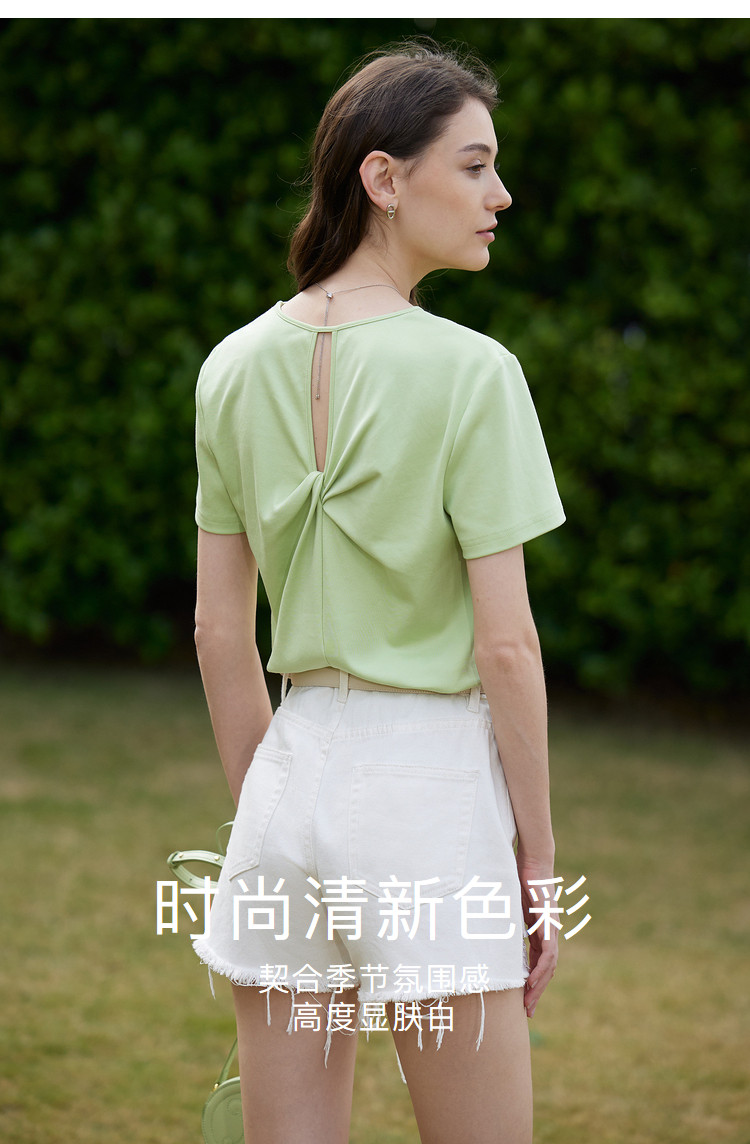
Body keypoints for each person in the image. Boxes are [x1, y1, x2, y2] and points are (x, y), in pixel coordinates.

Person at [191, 40, 565, 1144]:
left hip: (287, 774)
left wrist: (273, 800)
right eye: (475, 165)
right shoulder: (474, 373)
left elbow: (219, 630)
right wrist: (539, 857)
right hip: (430, 793)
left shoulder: (229, 365)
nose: (501, 194)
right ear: (384, 179)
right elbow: (507, 648)